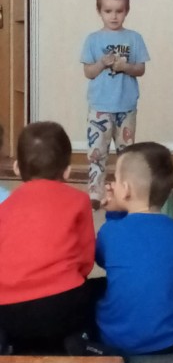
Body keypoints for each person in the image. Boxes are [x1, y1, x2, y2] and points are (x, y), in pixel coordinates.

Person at [77, 141, 173, 356]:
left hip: (114, 338)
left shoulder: (110, 232)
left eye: (115, 179)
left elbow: (104, 260)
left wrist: (114, 214)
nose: (112, 184)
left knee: (94, 289)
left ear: (126, 189)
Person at [0, 121, 95, 354]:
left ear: (17, 168)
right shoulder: (79, 201)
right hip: (61, 307)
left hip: (7, 310)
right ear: (68, 170)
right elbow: (85, 262)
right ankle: (75, 342)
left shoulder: (4, 206)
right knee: (96, 292)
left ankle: (10, 343)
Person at [80, 0, 150, 209]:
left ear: (126, 11)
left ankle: (126, 191)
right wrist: (102, 63)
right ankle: (95, 192)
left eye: (119, 11)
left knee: (126, 153)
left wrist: (125, 67)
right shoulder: (92, 40)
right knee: (97, 152)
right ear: (99, 11)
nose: (113, 16)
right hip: (99, 107)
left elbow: (140, 69)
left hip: (126, 106)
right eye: (108, 11)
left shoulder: (134, 38)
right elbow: (88, 72)